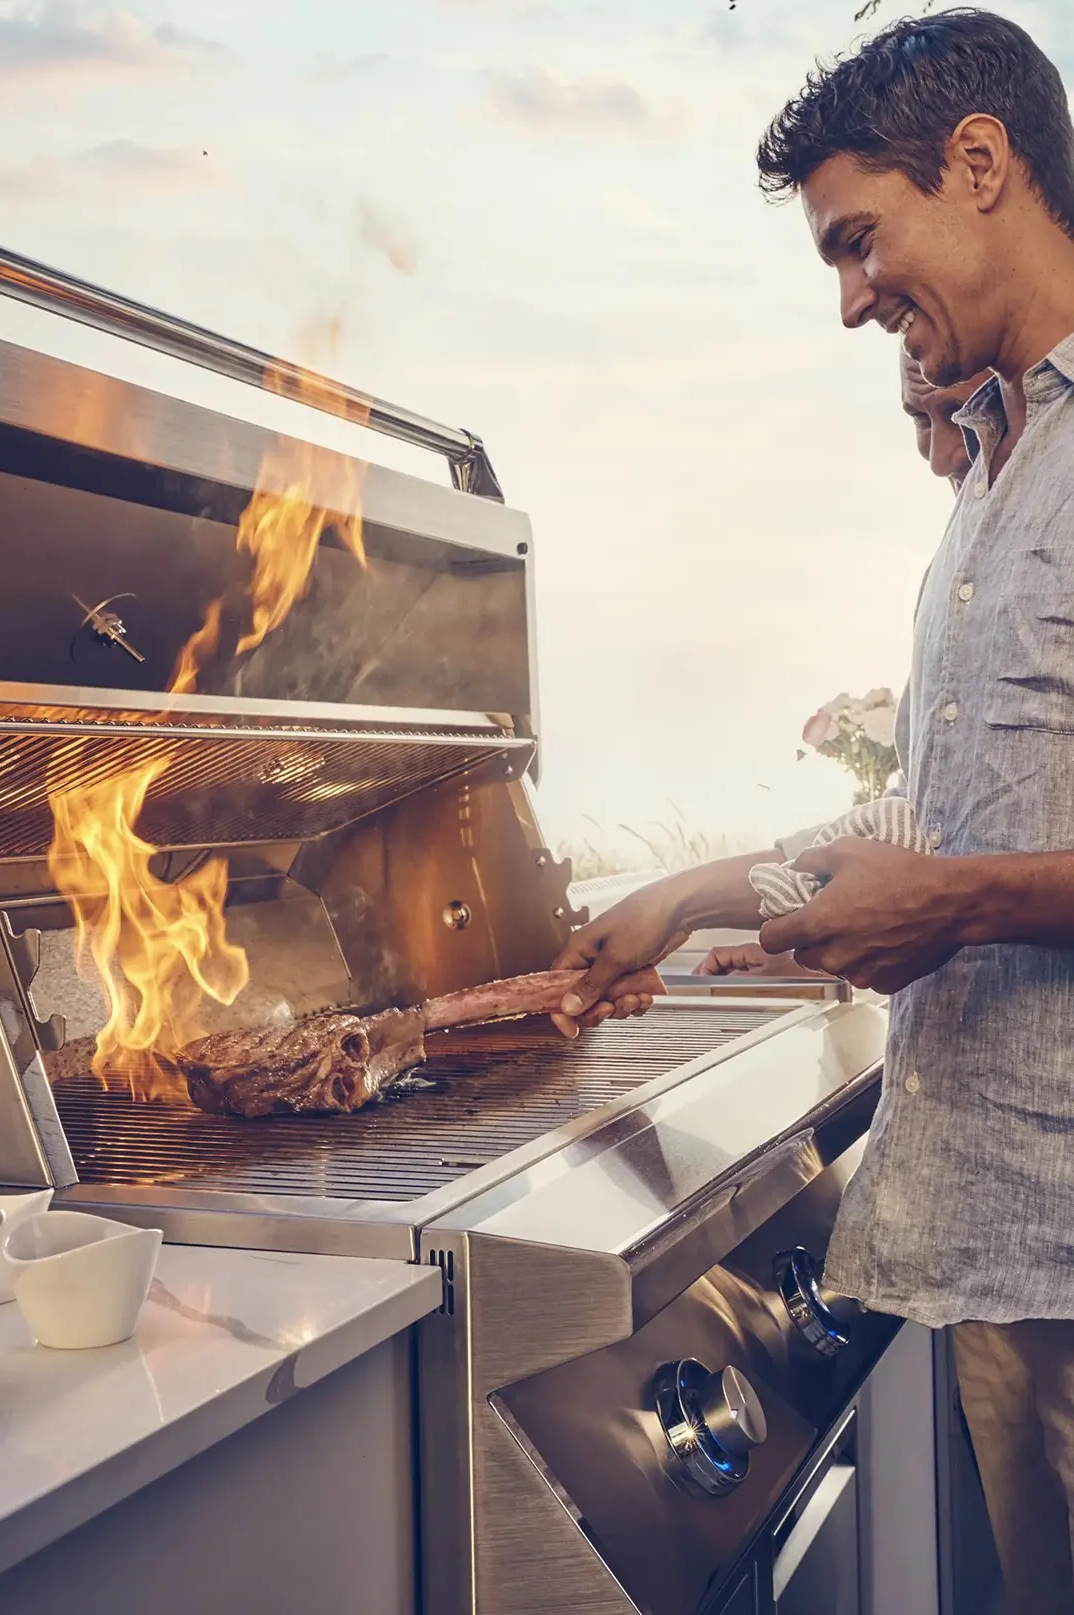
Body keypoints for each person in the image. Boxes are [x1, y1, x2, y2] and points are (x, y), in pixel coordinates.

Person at [552, 14, 1074, 1608]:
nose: (851, 295)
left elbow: (959, 875)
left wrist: (964, 904)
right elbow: (941, 820)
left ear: (978, 164)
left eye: (860, 238)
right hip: (1005, 1247)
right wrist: (691, 893)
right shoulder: (997, 467)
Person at [698, 346, 990, 979]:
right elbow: (924, 819)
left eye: (967, 417)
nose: (941, 455)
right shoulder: (955, 572)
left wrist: (678, 905)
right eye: (919, 420)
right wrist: (803, 950)